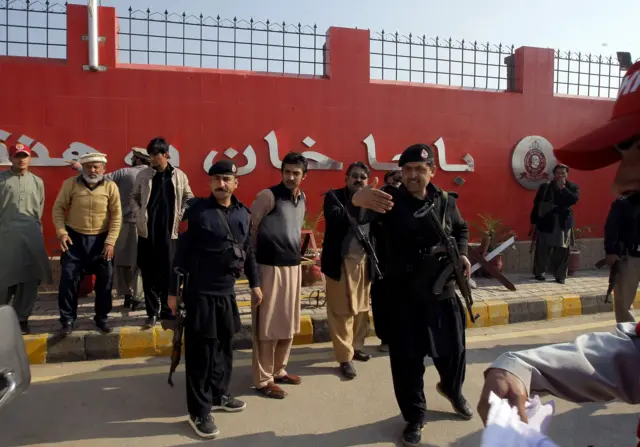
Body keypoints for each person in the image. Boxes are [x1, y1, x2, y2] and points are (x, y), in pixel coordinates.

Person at [478, 60, 640, 445]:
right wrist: (521, 364)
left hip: (564, 230)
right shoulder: (546, 190)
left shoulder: (568, 190)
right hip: (552, 231)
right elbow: (629, 359)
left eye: (637, 150)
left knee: (559, 262)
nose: (620, 185)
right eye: (624, 154)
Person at [351, 144, 473, 446]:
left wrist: (463, 254)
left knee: (453, 351)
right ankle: (415, 417)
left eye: (420, 169)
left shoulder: (446, 201)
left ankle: (452, 389)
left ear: (432, 170)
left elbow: (461, 229)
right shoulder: (387, 203)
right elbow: (351, 215)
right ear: (401, 173)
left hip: (441, 292)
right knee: (407, 364)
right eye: (408, 170)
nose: (413, 175)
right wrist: (355, 199)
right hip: (402, 297)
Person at [168, 160, 262, 439]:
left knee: (224, 346)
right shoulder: (197, 212)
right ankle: (198, 411)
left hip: (227, 292)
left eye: (226, 179)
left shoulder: (243, 214)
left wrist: (255, 284)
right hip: (200, 293)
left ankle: (220, 394)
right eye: (216, 179)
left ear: (236, 183)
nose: (221, 184)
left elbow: (249, 252)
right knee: (201, 353)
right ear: (210, 182)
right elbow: (180, 255)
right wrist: (173, 293)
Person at [250, 152, 307, 399]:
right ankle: (263, 379)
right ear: (281, 172)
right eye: (287, 172)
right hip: (269, 268)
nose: (291, 177)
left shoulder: (302, 198)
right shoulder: (268, 196)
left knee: (288, 323)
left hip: (293, 268)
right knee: (267, 326)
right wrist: (252, 271)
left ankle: (279, 370)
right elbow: (250, 232)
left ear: (303, 175)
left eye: (296, 173)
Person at [68, 147, 151, 311]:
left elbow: (97, 179)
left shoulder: (125, 173)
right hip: (144, 225)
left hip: (122, 223)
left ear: (137, 159)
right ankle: (138, 297)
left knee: (121, 262)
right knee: (140, 263)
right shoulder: (153, 175)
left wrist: (79, 167)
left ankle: (126, 294)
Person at [52, 152, 122, 335]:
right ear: (82, 168)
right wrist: (62, 232)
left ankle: (102, 318)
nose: (92, 170)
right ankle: (67, 319)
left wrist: (111, 242)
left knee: (105, 282)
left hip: (102, 240)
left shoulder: (110, 186)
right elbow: (58, 208)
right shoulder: (70, 184)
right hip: (74, 240)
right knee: (68, 279)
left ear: (104, 169)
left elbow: (116, 216)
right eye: (89, 166)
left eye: (96, 166)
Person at [131, 137, 193, 328]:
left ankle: (167, 311)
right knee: (148, 274)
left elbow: (189, 197)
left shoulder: (179, 176)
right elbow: (134, 197)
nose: (152, 159)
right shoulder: (143, 176)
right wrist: (138, 213)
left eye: (155, 155)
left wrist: (182, 213)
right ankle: (151, 312)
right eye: (150, 155)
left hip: (170, 234)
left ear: (165, 154)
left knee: (169, 274)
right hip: (147, 233)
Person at [321, 161, 374, 380]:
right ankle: (345, 358)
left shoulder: (373, 201)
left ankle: (357, 346)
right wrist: (355, 201)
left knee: (362, 309)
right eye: (354, 176)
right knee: (341, 311)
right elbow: (335, 220)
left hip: (365, 263)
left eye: (362, 176)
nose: (358, 179)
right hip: (340, 263)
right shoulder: (333, 197)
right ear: (346, 178)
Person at [0, 143, 53, 334]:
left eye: (24, 156)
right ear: (10, 158)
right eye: (17, 156)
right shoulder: (2, 180)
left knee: (29, 279)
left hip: (31, 236)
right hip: (5, 236)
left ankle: (22, 318)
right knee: (4, 279)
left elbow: (39, 208)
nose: (21, 160)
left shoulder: (37, 182)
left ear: (30, 158)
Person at [530, 164, 580, 284]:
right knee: (542, 248)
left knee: (562, 249)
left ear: (567, 174)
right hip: (546, 221)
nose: (560, 176)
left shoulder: (572, 187)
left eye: (563, 173)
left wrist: (563, 188)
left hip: (562, 222)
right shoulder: (545, 187)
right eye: (558, 173)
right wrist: (533, 221)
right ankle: (539, 272)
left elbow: (574, 200)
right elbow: (537, 205)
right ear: (554, 174)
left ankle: (560, 275)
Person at [371, 170, 402, 353]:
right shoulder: (376, 202)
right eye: (390, 184)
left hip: (402, 261)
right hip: (380, 260)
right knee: (381, 301)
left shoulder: (406, 201)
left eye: (397, 183)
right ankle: (385, 339)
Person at [603, 193, 639, 322]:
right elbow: (611, 228)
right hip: (629, 258)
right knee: (624, 302)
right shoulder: (623, 204)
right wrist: (611, 251)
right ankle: (627, 336)